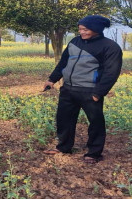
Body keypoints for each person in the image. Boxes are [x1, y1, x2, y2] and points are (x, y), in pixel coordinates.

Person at [43, 15, 122, 163]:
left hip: (90, 91)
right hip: (68, 89)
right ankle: (64, 147)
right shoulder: (75, 42)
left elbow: (111, 73)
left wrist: (98, 93)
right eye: (80, 29)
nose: (82, 32)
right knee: (64, 119)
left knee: (95, 122)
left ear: (96, 29)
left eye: (86, 29)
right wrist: (52, 79)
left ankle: (94, 153)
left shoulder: (110, 47)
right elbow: (63, 62)